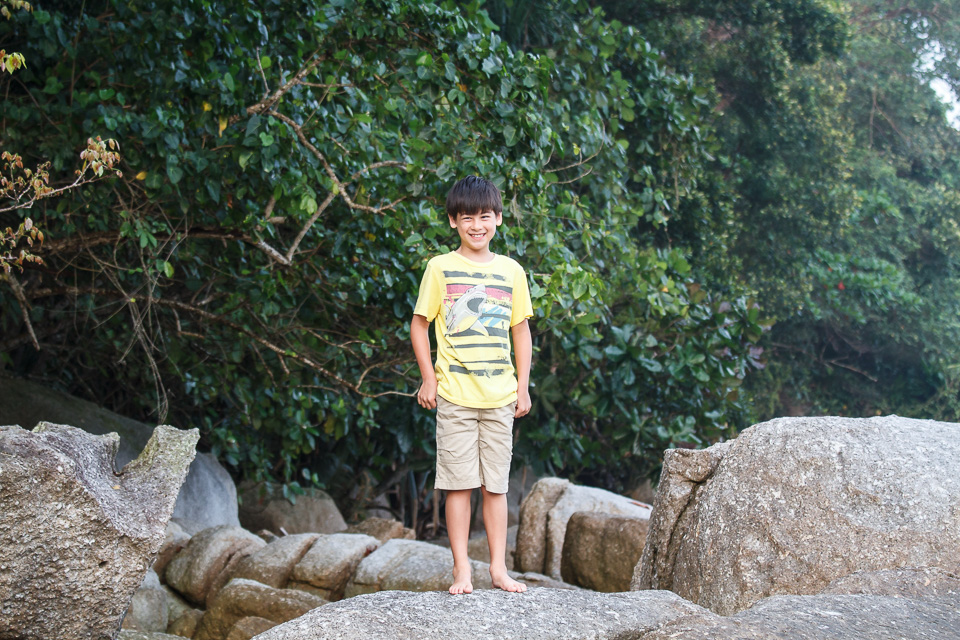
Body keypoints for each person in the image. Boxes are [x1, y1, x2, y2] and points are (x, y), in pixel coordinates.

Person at [410, 175, 533, 595]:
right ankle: (462, 569)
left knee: (495, 486)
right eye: (467, 218)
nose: (476, 225)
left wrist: (523, 386)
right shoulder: (440, 268)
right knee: (457, 484)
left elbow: (521, 331)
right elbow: (419, 324)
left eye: (484, 216)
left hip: (500, 396)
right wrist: (429, 378)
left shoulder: (511, 271)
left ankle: (498, 569)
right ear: (453, 221)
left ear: (498, 218)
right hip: (455, 396)